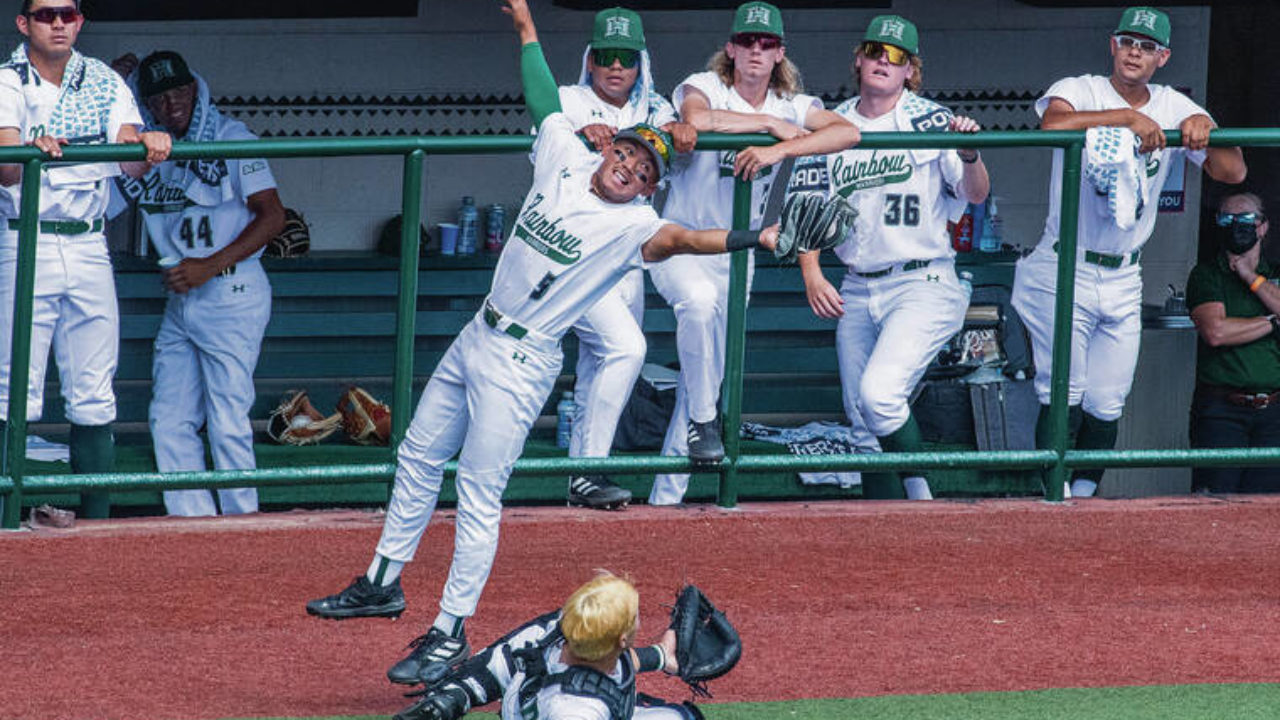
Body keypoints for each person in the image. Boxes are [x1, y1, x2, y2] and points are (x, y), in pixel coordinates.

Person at [306, 0, 779, 691]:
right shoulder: (565, 151)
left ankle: (448, 632)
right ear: (609, 147)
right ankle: (381, 580)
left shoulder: (635, 225)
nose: (632, 168)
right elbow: (538, 92)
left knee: (477, 489)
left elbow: (683, 239)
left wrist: (754, 238)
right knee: (414, 455)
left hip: (524, 359)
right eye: (628, 153)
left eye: (646, 169)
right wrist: (525, 25)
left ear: (651, 187)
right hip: (480, 331)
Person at [1011, 5, 1247, 499]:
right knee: (1065, 391)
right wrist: (1126, 119)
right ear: (1112, 46)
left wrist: (1204, 126)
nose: (1134, 52)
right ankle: (1050, 498)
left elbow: (1232, 173)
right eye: (1127, 42)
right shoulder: (1080, 88)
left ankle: (1081, 495)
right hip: (1066, 263)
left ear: (1163, 57)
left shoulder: (1172, 104)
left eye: (1146, 46)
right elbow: (1053, 127)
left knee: (1108, 399)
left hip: (1124, 273)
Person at [647, 0, 859, 506]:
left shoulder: (795, 104)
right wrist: (766, 124)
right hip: (680, 242)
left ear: (780, 51)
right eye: (747, 42)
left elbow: (848, 131)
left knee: (708, 378)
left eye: (766, 44)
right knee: (696, 307)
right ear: (731, 48)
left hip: (737, 252)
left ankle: (664, 499)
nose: (756, 51)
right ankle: (703, 424)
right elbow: (696, 120)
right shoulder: (704, 83)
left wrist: (779, 147)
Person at [795, 15, 990, 501]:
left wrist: (970, 154)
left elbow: (977, 194)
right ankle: (880, 535)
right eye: (876, 51)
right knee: (862, 424)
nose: (884, 60)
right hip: (859, 284)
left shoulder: (931, 120)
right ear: (859, 59)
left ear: (910, 71)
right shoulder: (834, 124)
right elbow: (808, 206)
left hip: (921, 281)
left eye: (897, 56)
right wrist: (813, 270)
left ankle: (921, 503)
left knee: (880, 397)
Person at [0, 0, 170, 518]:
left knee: (95, 390)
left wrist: (149, 143)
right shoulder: (8, 80)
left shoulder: (102, 80)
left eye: (68, 14)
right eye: (46, 13)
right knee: (13, 388)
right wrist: (32, 147)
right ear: (24, 23)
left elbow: (129, 161)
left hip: (90, 241)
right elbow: (6, 170)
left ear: (80, 21)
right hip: (27, 236)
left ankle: (95, 530)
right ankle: (7, 523)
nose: (58, 23)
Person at [109, 50, 285, 517]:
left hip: (231, 288)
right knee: (168, 419)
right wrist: (112, 83)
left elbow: (274, 216)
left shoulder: (230, 136)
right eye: (160, 97)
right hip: (183, 297)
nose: (172, 104)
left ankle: (242, 522)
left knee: (227, 420)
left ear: (195, 89)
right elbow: (105, 164)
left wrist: (211, 263)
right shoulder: (151, 150)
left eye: (179, 91)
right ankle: (193, 526)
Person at [549, 7, 695, 511]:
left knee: (603, 363)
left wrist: (685, 128)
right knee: (626, 349)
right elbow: (547, 139)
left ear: (640, 63)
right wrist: (579, 134)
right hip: (572, 251)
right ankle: (587, 470)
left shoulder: (654, 107)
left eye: (626, 58)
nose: (616, 67)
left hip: (624, 256)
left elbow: (685, 133)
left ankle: (581, 476)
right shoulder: (569, 100)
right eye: (606, 56)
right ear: (590, 60)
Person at [391, 571, 700, 720]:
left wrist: (661, 656)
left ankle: (456, 694)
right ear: (621, 638)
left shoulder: (557, 630)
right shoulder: (577, 710)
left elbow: (612, 660)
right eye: (634, 616)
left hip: (531, 699)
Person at [1187, 192, 1280, 493]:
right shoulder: (1207, 273)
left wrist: (1249, 275)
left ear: (1263, 226)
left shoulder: (1274, 273)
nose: (1236, 225)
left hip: (1273, 411)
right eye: (1227, 219)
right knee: (1215, 500)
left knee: (1265, 507)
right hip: (1221, 410)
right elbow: (1216, 332)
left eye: (1245, 219)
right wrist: (1270, 321)